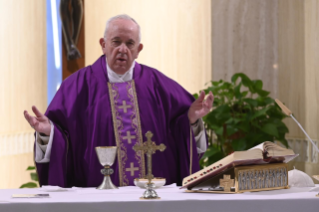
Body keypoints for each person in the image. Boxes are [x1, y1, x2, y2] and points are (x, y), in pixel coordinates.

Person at [24, 14, 214, 187]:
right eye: (116, 42)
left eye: (130, 43)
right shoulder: (77, 86)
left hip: (152, 199)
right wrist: (49, 132)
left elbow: (182, 132)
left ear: (138, 49)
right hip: (96, 198)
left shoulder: (159, 85)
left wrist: (191, 119)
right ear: (103, 44)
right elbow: (62, 136)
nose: (123, 49)